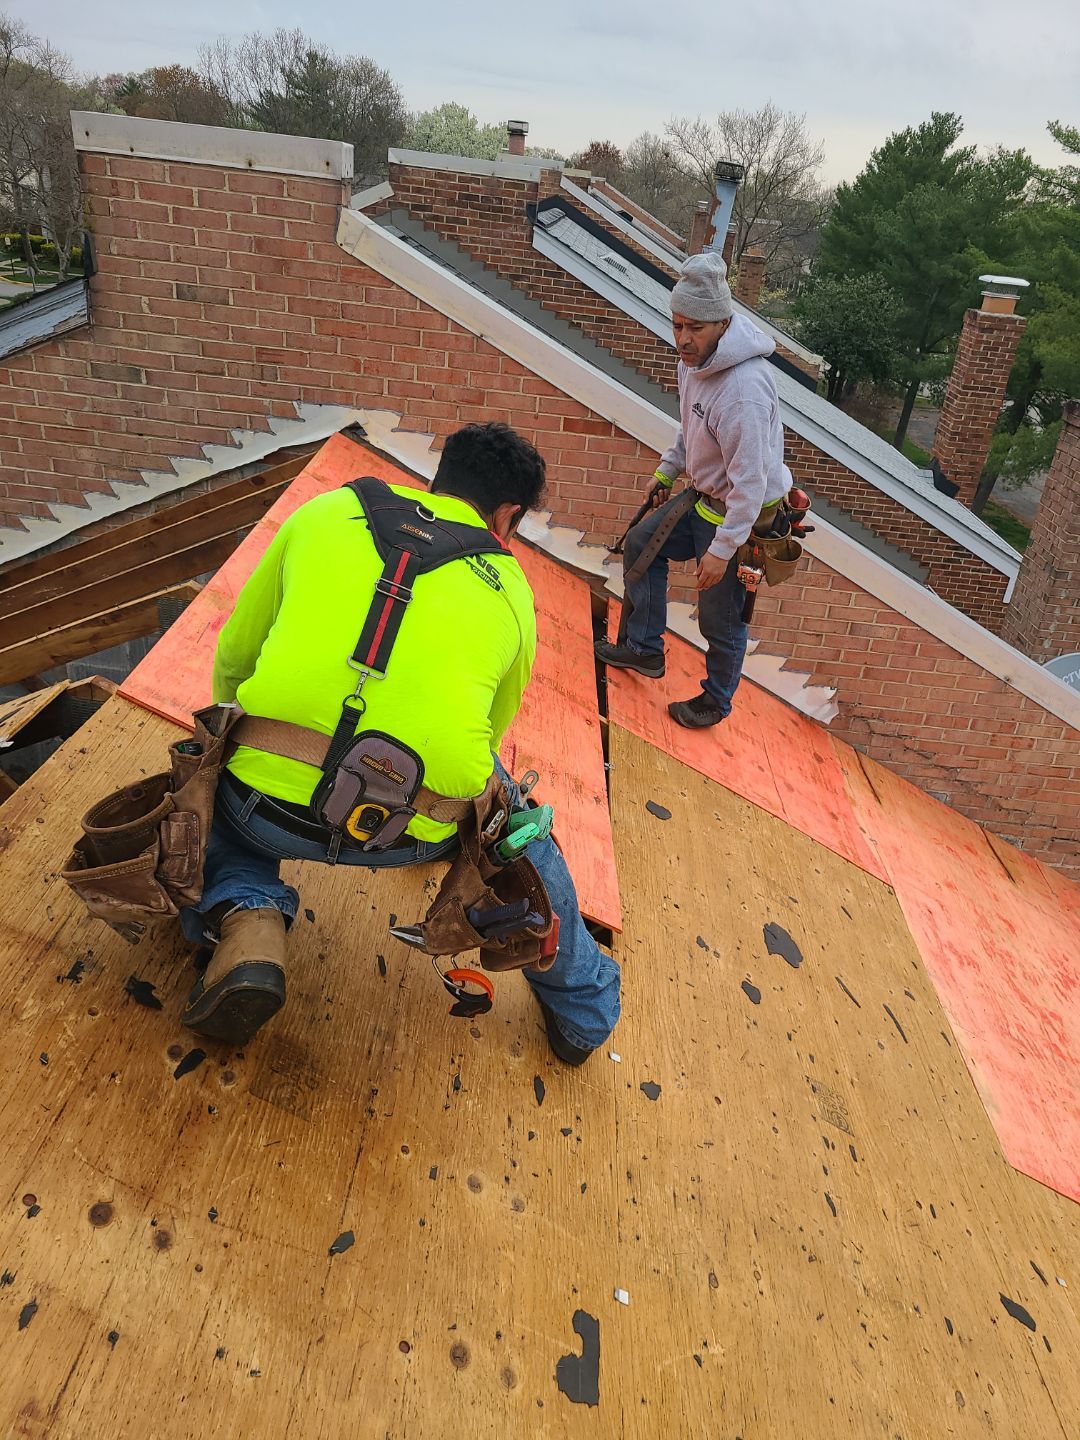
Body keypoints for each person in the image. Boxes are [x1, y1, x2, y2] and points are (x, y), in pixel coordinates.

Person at [179, 422, 620, 1063]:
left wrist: (231, 756)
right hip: (407, 830)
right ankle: (583, 1013)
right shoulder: (515, 591)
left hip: (262, 814)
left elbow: (234, 661)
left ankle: (247, 913)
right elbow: (486, 743)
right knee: (517, 823)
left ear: (440, 479)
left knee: (214, 780)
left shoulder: (328, 510)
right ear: (509, 516)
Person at [595, 252, 793, 727]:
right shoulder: (694, 364)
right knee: (643, 544)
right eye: (677, 324)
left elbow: (748, 486)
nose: (682, 338)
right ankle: (644, 649)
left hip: (742, 518)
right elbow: (689, 427)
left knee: (720, 621)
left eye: (695, 328)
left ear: (722, 324)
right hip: (704, 501)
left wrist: (723, 551)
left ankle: (716, 701)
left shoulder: (743, 390)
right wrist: (667, 472)